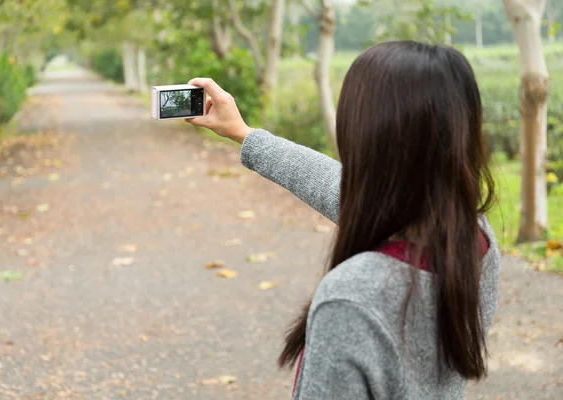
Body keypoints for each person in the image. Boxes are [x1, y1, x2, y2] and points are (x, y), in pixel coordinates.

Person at [185, 40, 502, 400]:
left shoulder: (352, 298)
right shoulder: (475, 240)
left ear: (367, 135)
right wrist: (243, 133)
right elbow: (335, 185)